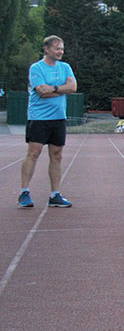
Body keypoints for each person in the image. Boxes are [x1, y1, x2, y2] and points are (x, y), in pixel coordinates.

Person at [18, 35, 76, 209]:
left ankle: (54, 195)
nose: (60, 52)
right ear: (47, 49)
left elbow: (73, 88)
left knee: (57, 155)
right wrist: (61, 90)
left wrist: (55, 88)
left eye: (62, 49)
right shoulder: (36, 68)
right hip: (38, 118)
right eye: (57, 48)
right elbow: (42, 92)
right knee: (33, 153)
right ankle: (24, 192)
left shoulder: (65, 67)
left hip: (58, 117)